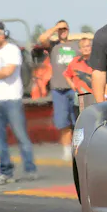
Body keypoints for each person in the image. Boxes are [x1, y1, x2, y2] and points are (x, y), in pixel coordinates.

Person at [0, 22, 38, 184]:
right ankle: (6, 172)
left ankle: (30, 169)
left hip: (12, 99)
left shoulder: (12, 50)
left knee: (21, 135)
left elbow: (8, 71)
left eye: (0, 33)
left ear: (5, 33)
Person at [38, 20, 78, 160]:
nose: (63, 31)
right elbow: (42, 39)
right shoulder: (53, 46)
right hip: (59, 89)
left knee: (78, 121)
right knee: (63, 122)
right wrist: (56, 28)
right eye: (60, 29)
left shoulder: (75, 46)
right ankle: (66, 150)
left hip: (74, 88)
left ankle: (78, 149)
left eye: (65, 28)